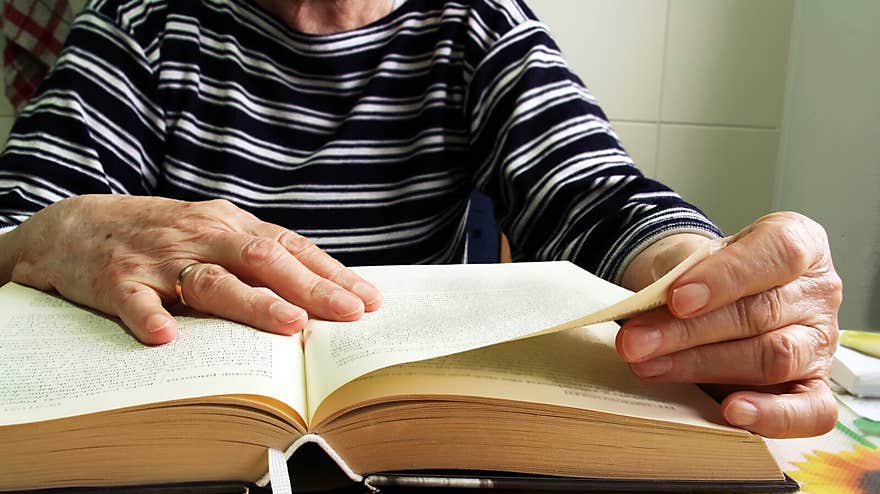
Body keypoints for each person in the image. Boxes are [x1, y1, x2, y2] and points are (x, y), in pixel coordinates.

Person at [0, 0, 842, 439]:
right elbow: (19, 218)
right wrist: (57, 229)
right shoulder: (143, 23)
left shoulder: (473, 23)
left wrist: (716, 287)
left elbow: (594, 192)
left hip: (412, 452)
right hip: (174, 437)